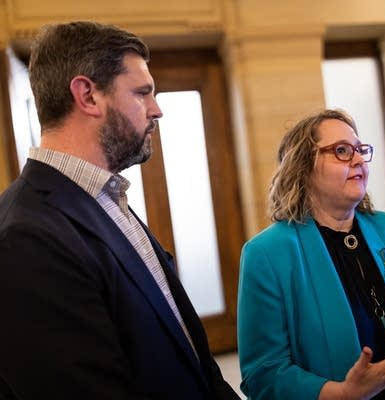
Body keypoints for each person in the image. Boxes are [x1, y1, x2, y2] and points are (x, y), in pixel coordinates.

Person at [0, 21, 239, 400]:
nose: (157, 110)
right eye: (142, 93)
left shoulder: (105, 196)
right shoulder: (24, 236)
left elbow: (187, 349)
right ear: (88, 96)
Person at [237, 109, 385, 400]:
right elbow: (263, 374)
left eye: (360, 150)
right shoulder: (267, 253)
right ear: (302, 165)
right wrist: (342, 394)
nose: (359, 159)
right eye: (342, 151)